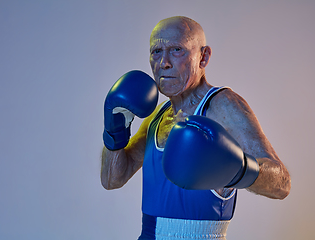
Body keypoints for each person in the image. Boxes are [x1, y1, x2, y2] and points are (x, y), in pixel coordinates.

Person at [101, 16, 291, 240]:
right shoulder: (156, 115)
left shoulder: (223, 105)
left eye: (177, 50)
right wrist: (115, 127)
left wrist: (237, 170)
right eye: (156, 51)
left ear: (204, 57)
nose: (164, 63)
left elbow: (282, 184)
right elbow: (112, 179)